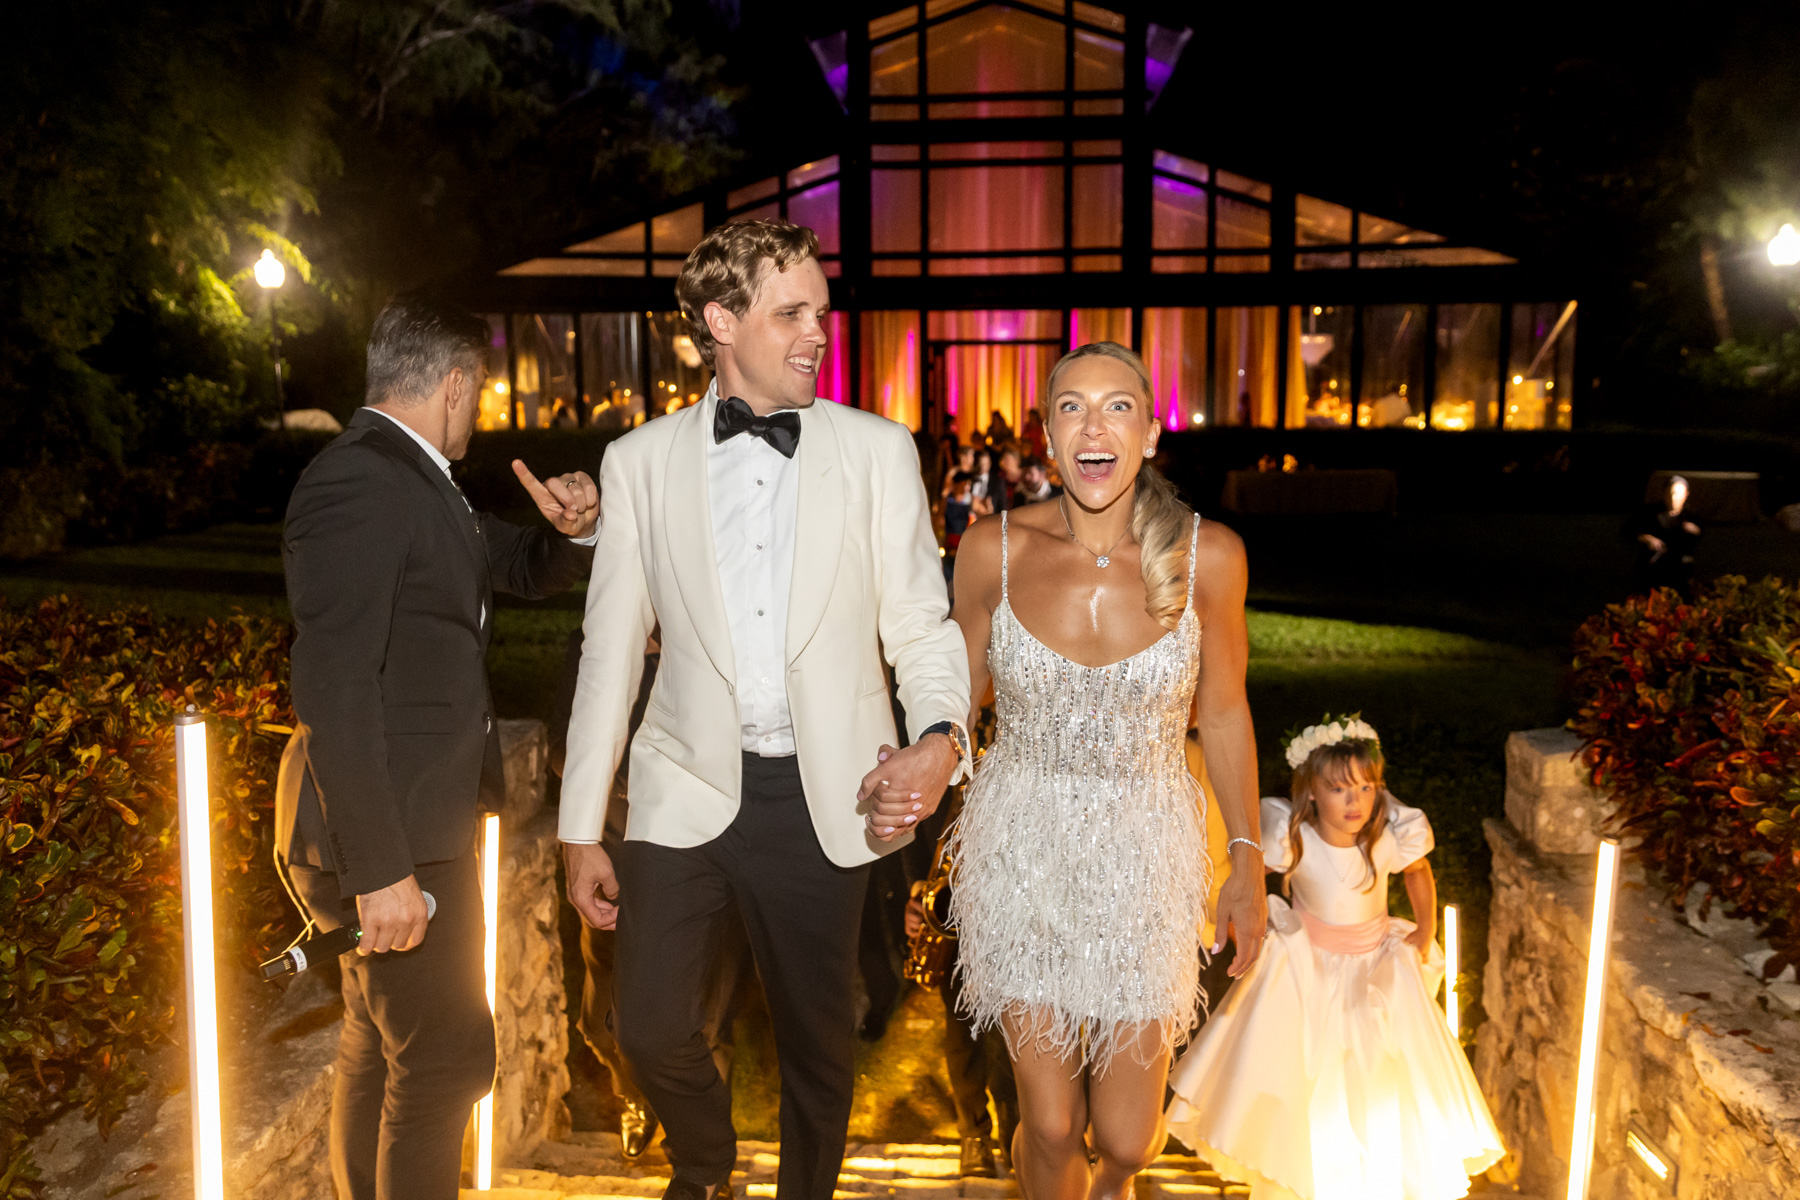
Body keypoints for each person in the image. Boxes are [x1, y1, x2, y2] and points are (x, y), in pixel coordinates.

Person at [558, 219, 974, 1200]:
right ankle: (706, 1163)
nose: (818, 334)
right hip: (681, 787)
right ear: (721, 322)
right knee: (647, 1027)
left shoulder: (878, 452)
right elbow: (610, 655)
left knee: (817, 1050)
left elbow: (922, 625)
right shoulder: (638, 463)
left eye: (821, 314)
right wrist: (579, 829)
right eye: (791, 314)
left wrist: (941, 736)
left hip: (825, 794)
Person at [275, 293, 600, 1200]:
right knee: (449, 1057)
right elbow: (335, 685)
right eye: (482, 390)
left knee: (383, 1043)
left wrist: (576, 532)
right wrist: (380, 869)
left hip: (418, 822)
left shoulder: (414, 478)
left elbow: (513, 564)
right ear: (455, 383)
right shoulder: (360, 483)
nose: (482, 409)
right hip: (392, 835)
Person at [944, 340, 1269, 1200]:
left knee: (1127, 1139)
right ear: (1048, 436)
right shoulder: (990, 550)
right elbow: (952, 705)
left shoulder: (1212, 557)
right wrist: (912, 764)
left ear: (1150, 434)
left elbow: (1224, 713)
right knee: (1052, 1125)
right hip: (1021, 849)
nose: (1095, 427)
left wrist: (1246, 860)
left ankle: (1114, 1183)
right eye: (1073, 408)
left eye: (1118, 406)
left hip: (1145, 858)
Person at [1165, 718, 1505, 1200]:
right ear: (1311, 792)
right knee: (1311, 1082)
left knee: (1380, 1078)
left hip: (1375, 974)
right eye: (1339, 789)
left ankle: (1375, 1179)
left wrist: (1425, 927)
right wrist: (1248, 920)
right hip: (1312, 973)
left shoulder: (1388, 837)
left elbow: (1417, 869)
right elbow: (1249, 876)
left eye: (1366, 788)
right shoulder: (1292, 837)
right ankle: (1306, 1175)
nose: (1355, 801)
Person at [546, 629, 749, 1161]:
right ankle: (637, 1095)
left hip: (705, 852)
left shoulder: (718, 641)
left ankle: (708, 1163)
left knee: (706, 1020)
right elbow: (563, 750)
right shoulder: (598, 642)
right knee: (600, 1021)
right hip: (617, 850)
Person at [1630, 473, 1701, 595]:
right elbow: (1629, 530)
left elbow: (1701, 535)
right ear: (1664, 493)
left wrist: (1695, 530)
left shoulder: (1690, 515)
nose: (1674, 498)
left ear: (1686, 495)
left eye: (1678, 494)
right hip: (1653, 568)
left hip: (1679, 571)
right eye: (1671, 493)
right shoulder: (1651, 512)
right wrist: (1647, 538)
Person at [942, 470, 975, 591]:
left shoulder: (970, 502)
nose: (966, 487)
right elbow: (941, 521)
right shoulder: (947, 501)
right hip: (948, 543)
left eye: (968, 485)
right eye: (964, 484)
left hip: (963, 544)